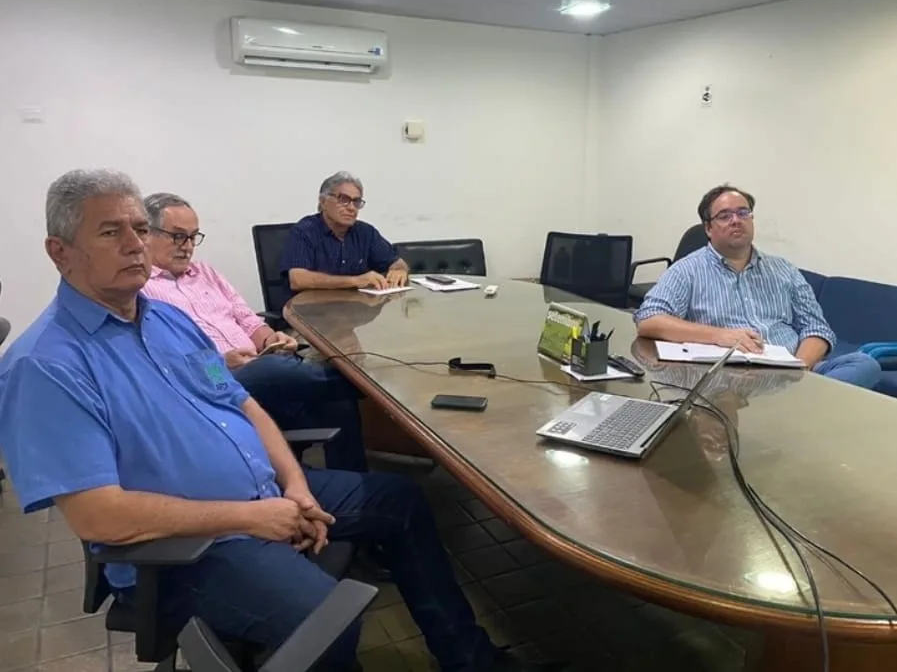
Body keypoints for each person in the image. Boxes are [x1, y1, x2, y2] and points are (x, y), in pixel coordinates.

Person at [0, 169, 566, 672]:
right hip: (189, 547)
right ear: (60, 251)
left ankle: (468, 660)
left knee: (400, 500)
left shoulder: (165, 322)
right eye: (110, 232)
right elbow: (101, 518)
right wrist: (252, 517)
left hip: (263, 496)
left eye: (139, 229)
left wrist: (294, 486)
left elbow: (243, 405)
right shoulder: (44, 365)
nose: (135, 246)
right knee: (329, 619)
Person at [141, 192, 367, 473]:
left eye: (193, 237)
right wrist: (222, 362)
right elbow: (160, 359)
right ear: (145, 235)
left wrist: (271, 339)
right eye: (177, 236)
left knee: (335, 400)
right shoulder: (140, 290)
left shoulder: (206, 273)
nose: (187, 246)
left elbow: (247, 318)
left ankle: (356, 485)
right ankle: (364, 382)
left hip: (260, 364)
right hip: (215, 377)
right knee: (275, 368)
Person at [634, 184, 881, 389]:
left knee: (864, 364)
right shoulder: (687, 270)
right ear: (708, 228)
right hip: (728, 377)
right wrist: (720, 336)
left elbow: (817, 329)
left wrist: (797, 369)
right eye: (724, 216)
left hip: (795, 371)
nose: (736, 221)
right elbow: (648, 319)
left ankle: (800, 404)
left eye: (743, 213)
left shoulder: (783, 269)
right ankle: (805, 411)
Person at [281, 171, 409, 292]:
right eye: (343, 200)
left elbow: (397, 263)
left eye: (356, 202)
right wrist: (355, 281)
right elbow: (298, 280)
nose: (351, 208)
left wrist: (399, 270)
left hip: (357, 309)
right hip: (315, 311)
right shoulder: (304, 231)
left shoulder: (366, 233)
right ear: (323, 201)